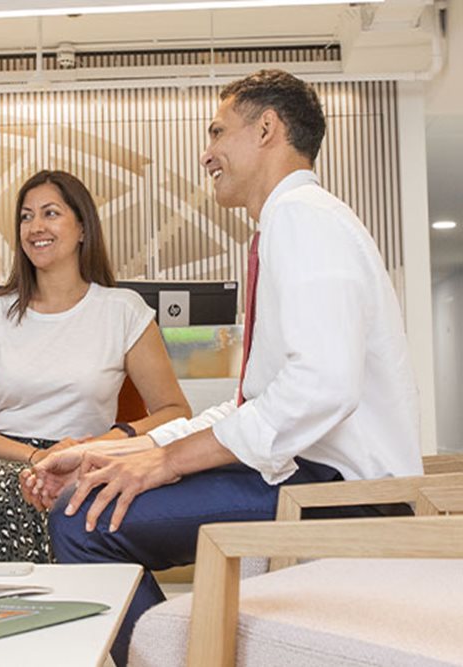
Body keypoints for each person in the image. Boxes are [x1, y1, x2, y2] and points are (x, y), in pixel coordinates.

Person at [26, 69, 422, 666]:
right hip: (306, 476)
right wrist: (121, 455)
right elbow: (252, 408)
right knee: (89, 497)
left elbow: (321, 388)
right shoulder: (293, 223)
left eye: (218, 131)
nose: (206, 153)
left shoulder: (303, 219)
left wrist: (165, 462)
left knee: (85, 522)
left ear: (267, 129)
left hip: (340, 494)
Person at [0, 169, 191, 564]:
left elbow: (176, 411)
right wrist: (34, 460)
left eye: (50, 213)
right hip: (9, 459)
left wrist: (102, 445)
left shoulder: (123, 311)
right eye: (26, 216)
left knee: (70, 487)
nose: (35, 227)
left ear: (82, 228)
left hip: (85, 459)